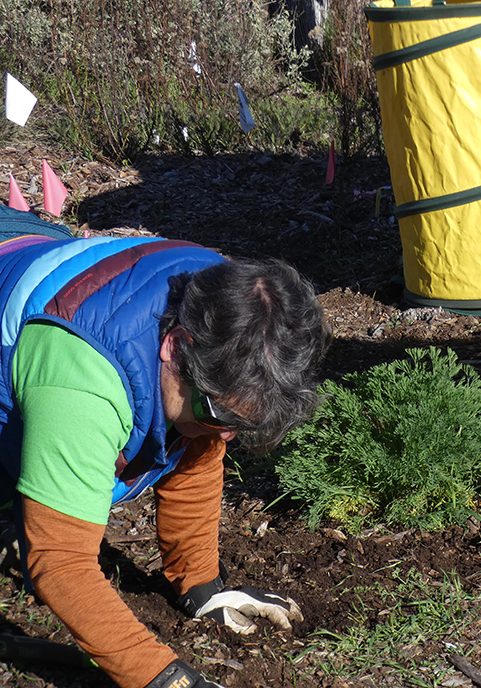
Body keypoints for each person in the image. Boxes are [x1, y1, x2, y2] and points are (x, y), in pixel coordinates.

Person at [0, 206, 330, 688]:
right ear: (175, 345)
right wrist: (164, 678)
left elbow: (193, 452)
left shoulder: (225, 301)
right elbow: (61, 561)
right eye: (220, 416)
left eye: (240, 424)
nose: (226, 437)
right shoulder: (83, 379)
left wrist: (202, 587)